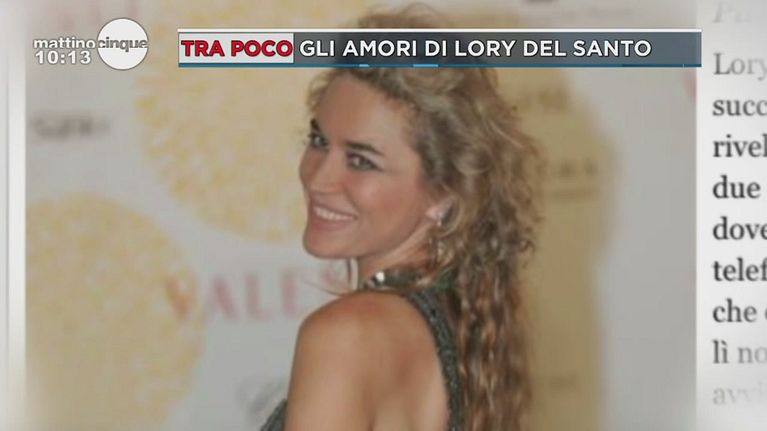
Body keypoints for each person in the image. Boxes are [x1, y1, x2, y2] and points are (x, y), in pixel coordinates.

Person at [260, 5, 541, 431]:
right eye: (319, 141)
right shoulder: (460, 322)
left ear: (443, 195)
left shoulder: (344, 336)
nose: (317, 178)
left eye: (361, 160)